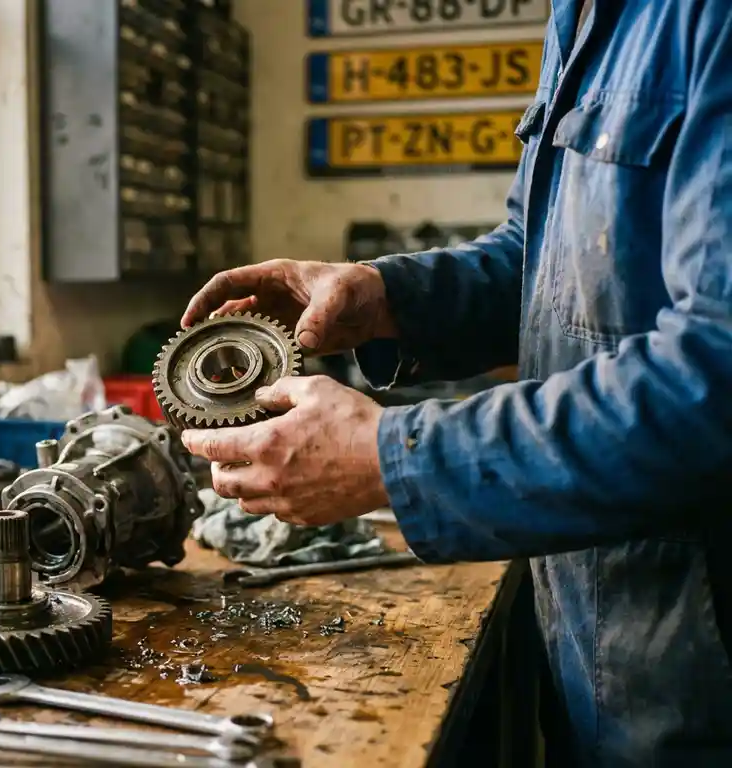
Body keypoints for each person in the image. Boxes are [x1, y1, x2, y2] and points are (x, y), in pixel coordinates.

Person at [178, 2, 732, 766]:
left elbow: (716, 374)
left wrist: (392, 458)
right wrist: (384, 297)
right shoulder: (585, 17)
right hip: (602, 650)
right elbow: (543, 260)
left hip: (704, 681)